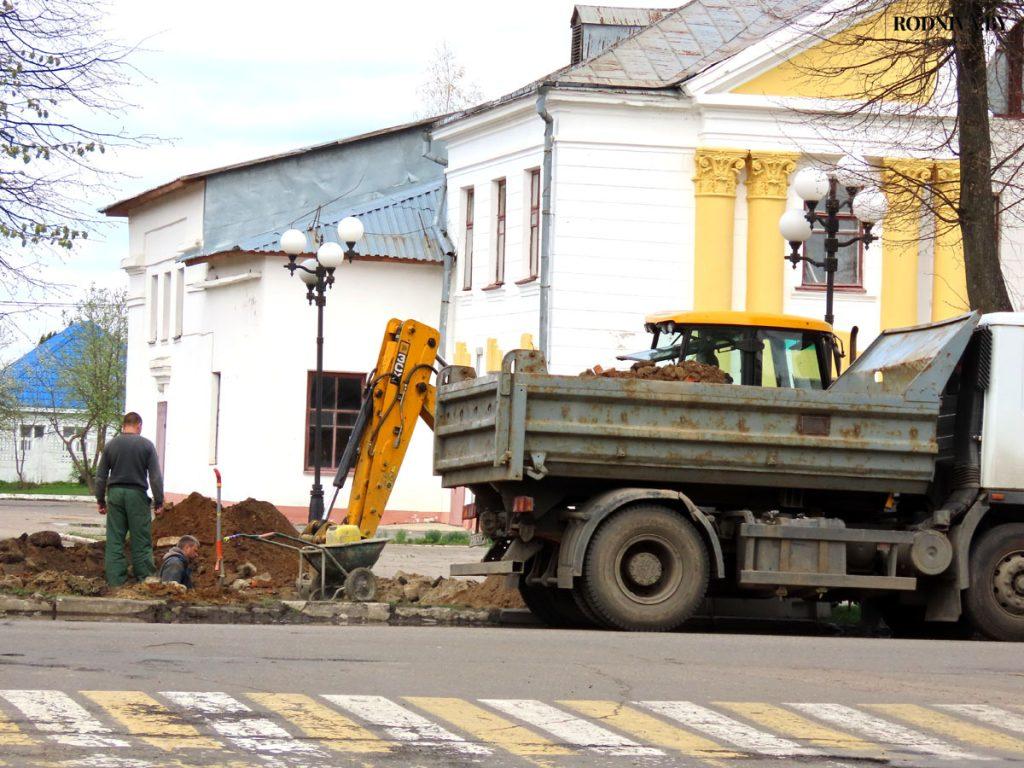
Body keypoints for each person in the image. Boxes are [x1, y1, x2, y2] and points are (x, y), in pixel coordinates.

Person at [95, 411, 165, 586]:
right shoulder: (146, 446)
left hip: (115, 494)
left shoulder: (111, 445)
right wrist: (159, 501)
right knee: (141, 538)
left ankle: (115, 581)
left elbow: (101, 476)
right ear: (139, 425)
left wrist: (100, 500)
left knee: (115, 539)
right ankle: (145, 579)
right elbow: (155, 477)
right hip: (136, 495)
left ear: (123, 425)